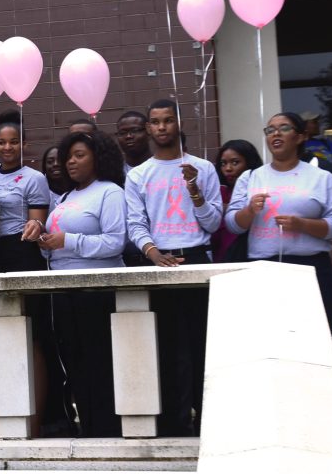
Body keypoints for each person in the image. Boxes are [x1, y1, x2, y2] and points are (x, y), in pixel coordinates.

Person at [123, 99, 222, 437]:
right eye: (155, 121)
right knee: (165, 346)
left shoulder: (203, 168)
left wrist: (194, 191)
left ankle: (207, 420)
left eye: (168, 121)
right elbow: (135, 225)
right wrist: (153, 253)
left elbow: (213, 223)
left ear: (179, 125)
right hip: (159, 261)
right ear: (149, 128)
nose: (162, 127)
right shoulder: (138, 175)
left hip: (196, 258)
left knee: (200, 345)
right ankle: (173, 424)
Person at [225, 112, 332, 340]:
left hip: (311, 267)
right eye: (270, 129)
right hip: (263, 266)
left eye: (284, 128)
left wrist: (303, 224)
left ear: (300, 136)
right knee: (270, 338)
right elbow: (233, 225)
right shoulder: (251, 177)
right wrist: (249, 211)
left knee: (314, 339)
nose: (275, 133)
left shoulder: (321, 177)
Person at [36, 130, 125, 438]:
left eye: (79, 155)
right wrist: (42, 238)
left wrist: (68, 240)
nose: (71, 162)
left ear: (97, 158)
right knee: (75, 363)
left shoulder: (109, 192)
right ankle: (87, 427)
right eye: (68, 157)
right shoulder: (65, 197)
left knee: (99, 362)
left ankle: (107, 430)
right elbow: (58, 244)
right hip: (64, 288)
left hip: (96, 290)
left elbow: (115, 242)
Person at [0, 122, 51, 436]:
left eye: (14, 142)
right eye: (1, 142)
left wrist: (35, 227)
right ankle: (7, 413)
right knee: (0, 334)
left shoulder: (35, 179)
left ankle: (35, 421)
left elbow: (38, 220)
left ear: (24, 144)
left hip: (22, 252)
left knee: (31, 338)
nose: (7, 148)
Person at [212, 140, 263, 260]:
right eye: (223, 163)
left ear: (250, 162)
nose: (228, 168)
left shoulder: (260, 191)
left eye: (235, 162)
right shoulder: (218, 193)